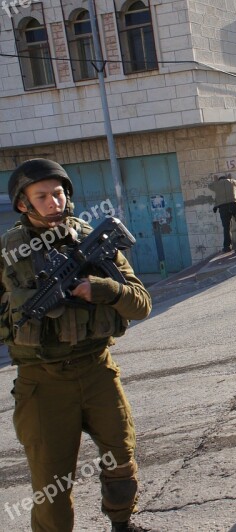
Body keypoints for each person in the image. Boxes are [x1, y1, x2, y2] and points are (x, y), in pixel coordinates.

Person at [0, 159, 152, 532]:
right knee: (51, 482)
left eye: (58, 193)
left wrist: (101, 289)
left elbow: (141, 304)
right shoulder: (8, 254)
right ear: (23, 204)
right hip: (42, 380)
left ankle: (122, 523)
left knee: (121, 454)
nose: (53, 201)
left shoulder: (92, 239)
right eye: (42, 196)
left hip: (97, 368)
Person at [208, 173, 236, 252]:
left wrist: (215, 181)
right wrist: (230, 178)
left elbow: (209, 186)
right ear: (226, 178)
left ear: (219, 179)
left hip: (223, 208)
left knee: (226, 227)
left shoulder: (216, 185)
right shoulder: (232, 181)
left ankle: (227, 247)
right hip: (234, 205)